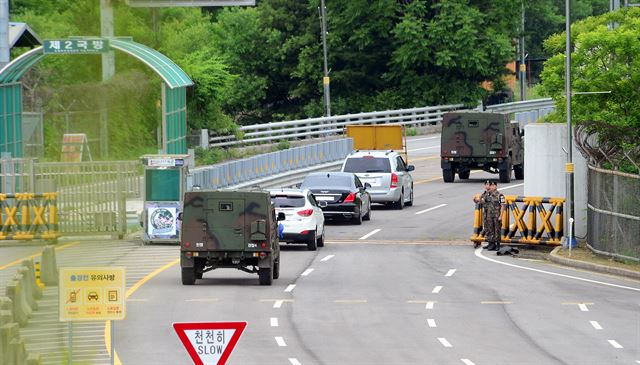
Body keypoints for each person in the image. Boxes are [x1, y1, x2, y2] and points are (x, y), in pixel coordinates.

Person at [474, 180, 505, 251]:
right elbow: (482, 201)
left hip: (496, 215)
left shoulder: (500, 195)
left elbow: (503, 206)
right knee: (490, 229)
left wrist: (501, 216)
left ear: (496, 186)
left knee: (497, 230)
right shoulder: (488, 195)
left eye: (493, 185)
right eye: (491, 185)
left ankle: (498, 244)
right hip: (489, 216)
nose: (492, 186)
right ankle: (491, 244)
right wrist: (476, 200)